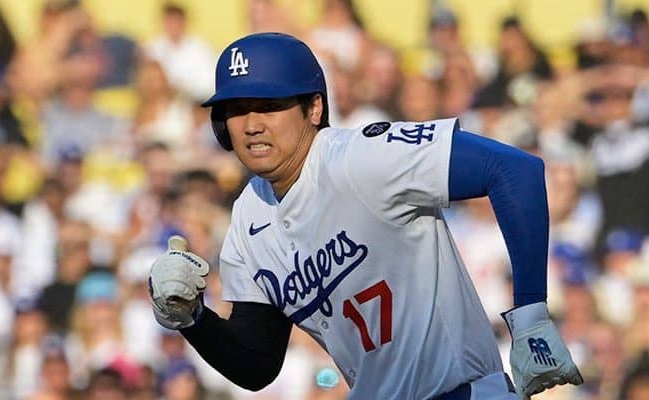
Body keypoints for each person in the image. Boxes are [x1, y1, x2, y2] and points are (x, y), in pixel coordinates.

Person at [146, 32, 583, 399]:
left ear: (314, 108)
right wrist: (193, 318)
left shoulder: (360, 157)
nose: (251, 123)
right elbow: (257, 365)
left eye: (269, 105)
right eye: (237, 110)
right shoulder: (247, 219)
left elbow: (514, 169)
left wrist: (531, 315)